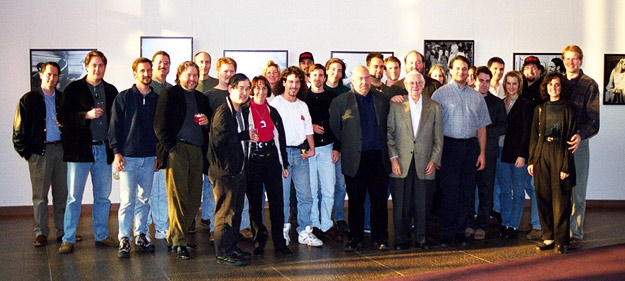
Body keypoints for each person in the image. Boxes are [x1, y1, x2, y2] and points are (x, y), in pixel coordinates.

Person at [57, 51, 119, 254]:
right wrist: (86, 115)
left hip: (103, 149)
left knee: (103, 196)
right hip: (79, 151)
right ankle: (68, 238)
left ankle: (101, 235)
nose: (97, 69)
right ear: (86, 66)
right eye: (94, 65)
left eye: (101, 65)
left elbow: (116, 121)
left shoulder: (111, 90)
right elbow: (63, 118)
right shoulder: (73, 89)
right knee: (74, 197)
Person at [13, 62, 76, 247]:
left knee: (62, 194)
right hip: (40, 153)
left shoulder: (63, 98)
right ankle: (40, 232)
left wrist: (66, 128)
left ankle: (63, 232)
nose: (52, 78)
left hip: (61, 151)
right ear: (41, 75)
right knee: (40, 197)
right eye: (48, 74)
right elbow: (18, 130)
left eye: (55, 75)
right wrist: (28, 154)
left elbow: (73, 123)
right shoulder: (28, 99)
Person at [153, 61, 211, 259]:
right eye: (189, 75)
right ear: (180, 75)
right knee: (178, 197)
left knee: (194, 198)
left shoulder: (202, 98)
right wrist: (171, 148)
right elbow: (159, 125)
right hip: (176, 149)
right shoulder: (169, 94)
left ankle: (176, 236)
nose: (192, 79)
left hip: (197, 151)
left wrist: (207, 122)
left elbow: (210, 125)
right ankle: (179, 241)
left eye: (195, 75)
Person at [330, 65, 391, 252]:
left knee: (379, 201)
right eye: (360, 79)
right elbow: (336, 128)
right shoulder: (340, 101)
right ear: (353, 81)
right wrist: (350, 144)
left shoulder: (383, 99)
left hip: (378, 157)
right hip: (354, 158)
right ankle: (354, 238)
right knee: (355, 201)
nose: (364, 82)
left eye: (367, 78)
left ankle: (380, 237)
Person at [431, 56, 490, 246]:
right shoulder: (440, 94)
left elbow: (482, 127)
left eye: (464, 69)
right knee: (449, 192)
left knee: (466, 192)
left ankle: (460, 230)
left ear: (468, 71)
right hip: (449, 147)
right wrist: (436, 154)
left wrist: (481, 153)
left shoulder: (477, 96)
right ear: (450, 70)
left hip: (470, 147)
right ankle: (447, 232)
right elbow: (433, 126)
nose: (461, 72)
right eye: (457, 69)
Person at [108, 57, 159, 258]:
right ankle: (124, 238)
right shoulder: (123, 98)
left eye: (148, 70)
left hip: (149, 157)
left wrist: (158, 155)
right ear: (135, 74)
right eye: (142, 71)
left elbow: (159, 129)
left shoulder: (157, 99)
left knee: (144, 199)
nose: (146, 74)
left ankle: (140, 235)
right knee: (127, 201)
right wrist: (116, 152)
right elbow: (114, 127)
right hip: (128, 157)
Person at [387, 71, 443, 250]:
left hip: (425, 164)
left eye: (418, 82)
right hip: (400, 163)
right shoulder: (396, 105)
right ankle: (400, 239)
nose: (415, 86)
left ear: (423, 84)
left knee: (423, 204)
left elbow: (438, 138)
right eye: (411, 83)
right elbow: (390, 135)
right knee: (401, 204)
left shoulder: (434, 107)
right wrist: (393, 159)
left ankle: (422, 238)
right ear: (405, 85)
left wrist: (434, 161)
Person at [270, 66, 323, 247]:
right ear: (284, 83)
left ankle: (305, 231)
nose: (294, 85)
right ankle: (283, 230)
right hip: (282, 154)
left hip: (301, 154)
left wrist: (312, 149)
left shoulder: (302, 105)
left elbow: (308, 129)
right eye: (290, 81)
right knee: (282, 196)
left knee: (306, 195)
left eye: (297, 82)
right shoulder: (276, 103)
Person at [208, 73, 254, 266]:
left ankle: (232, 247)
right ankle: (223, 252)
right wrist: (244, 135)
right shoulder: (223, 112)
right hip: (225, 171)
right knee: (225, 213)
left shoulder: (239, 111)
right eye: (240, 88)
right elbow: (221, 141)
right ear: (230, 89)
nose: (244, 93)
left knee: (236, 211)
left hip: (237, 169)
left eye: (246, 88)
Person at [528, 71, 576, 254]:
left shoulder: (568, 109)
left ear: (561, 87)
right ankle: (548, 237)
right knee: (543, 197)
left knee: (561, 199)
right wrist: (532, 160)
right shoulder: (539, 109)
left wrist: (566, 165)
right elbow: (534, 137)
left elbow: (570, 139)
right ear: (545, 87)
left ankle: (561, 240)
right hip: (542, 154)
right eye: (550, 85)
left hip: (560, 154)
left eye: (557, 85)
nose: (553, 88)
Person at [245, 76, 293, 257]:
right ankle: (259, 242)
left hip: (272, 159)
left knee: (277, 203)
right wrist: (247, 136)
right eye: (257, 88)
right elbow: (238, 135)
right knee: (255, 204)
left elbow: (281, 138)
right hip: (253, 161)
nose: (261, 91)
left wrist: (284, 164)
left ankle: (280, 243)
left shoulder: (273, 111)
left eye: (264, 88)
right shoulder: (244, 111)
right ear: (252, 90)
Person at [562, 45, 600, 249]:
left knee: (577, 191)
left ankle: (575, 232)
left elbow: (594, 121)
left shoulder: (589, 85)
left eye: (575, 59)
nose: (571, 63)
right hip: (557, 145)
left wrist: (579, 136)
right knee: (559, 191)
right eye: (567, 59)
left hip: (579, 143)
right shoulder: (556, 82)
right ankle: (560, 230)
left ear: (581, 61)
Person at [467, 66, 507, 240]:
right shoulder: (467, 98)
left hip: (488, 153)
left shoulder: (497, 103)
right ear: (474, 80)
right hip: (467, 151)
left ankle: (482, 224)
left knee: (486, 189)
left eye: (487, 81)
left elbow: (503, 126)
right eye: (481, 80)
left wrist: (482, 131)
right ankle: (468, 223)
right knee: (467, 189)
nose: (484, 84)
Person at [303, 64, 341, 241]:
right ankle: (314, 224)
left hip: (327, 148)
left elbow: (338, 124)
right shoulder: (302, 98)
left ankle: (326, 224)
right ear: (309, 77)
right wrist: (309, 127)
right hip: (309, 150)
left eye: (321, 75)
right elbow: (296, 123)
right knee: (312, 191)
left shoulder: (332, 98)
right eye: (314, 75)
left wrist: (336, 148)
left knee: (328, 189)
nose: (318, 78)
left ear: (325, 78)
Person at [495, 71, 531, 239]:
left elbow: (527, 132)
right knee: (503, 190)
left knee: (517, 191)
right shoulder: (501, 103)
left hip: (517, 154)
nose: (511, 87)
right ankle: (505, 223)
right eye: (508, 83)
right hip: (501, 152)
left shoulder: (525, 104)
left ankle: (514, 224)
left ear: (520, 85)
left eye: (514, 83)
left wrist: (523, 155)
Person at [323, 58, 350, 233]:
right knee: (323, 186)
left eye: (339, 70)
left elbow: (347, 122)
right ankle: (322, 218)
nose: (336, 73)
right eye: (333, 69)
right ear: (327, 70)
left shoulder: (346, 92)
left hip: (340, 144)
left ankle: (339, 217)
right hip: (321, 145)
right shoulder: (317, 89)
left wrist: (338, 147)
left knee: (340, 185)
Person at [520, 56, 545, 240]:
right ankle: (531, 221)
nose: (531, 71)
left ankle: (538, 224)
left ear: (540, 71)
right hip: (523, 144)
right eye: (528, 68)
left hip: (537, 145)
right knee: (524, 184)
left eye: (535, 68)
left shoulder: (544, 91)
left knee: (534, 185)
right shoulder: (520, 90)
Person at [149, 50, 172, 240]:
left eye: (166, 63)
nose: (163, 66)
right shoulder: (147, 89)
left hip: (166, 148)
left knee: (161, 190)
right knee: (148, 191)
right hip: (149, 147)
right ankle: (148, 227)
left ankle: (161, 226)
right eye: (159, 62)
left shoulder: (171, 89)